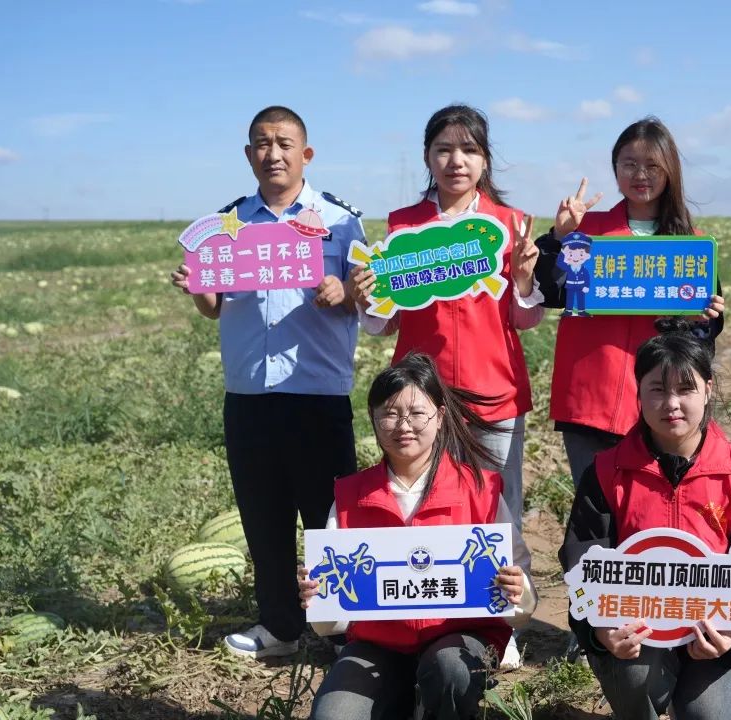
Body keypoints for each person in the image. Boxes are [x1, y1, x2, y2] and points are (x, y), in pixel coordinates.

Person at [348, 104, 540, 668]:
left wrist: (526, 280)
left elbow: (524, 319)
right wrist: (365, 297)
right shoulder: (404, 223)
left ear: (485, 159)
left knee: (499, 508)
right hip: (420, 399)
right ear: (428, 158)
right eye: (444, 150)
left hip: (494, 390)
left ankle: (504, 623)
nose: (456, 161)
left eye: (469, 150)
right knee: (427, 505)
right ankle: (432, 617)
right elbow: (385, 320)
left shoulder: (511, 223)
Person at [170, 106, 364, 659]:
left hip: (318, 393)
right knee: (263, 514)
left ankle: (343, 628)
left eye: (284, 143)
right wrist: (198, 289)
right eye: (261, 143)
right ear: (248, 153)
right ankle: (279, 626)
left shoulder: (340, 220)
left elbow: (368, 294)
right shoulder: (226, 224)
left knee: (328, 517)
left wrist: (345, 293)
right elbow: (214, 308)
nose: (272, 153)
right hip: (250, 395)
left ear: (306, 154)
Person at [559, 319, 731, 720]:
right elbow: (581, 559)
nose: (671, 404)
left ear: (708, 390)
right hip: (641, 632)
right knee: (635, 678)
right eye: (657, 390)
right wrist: (599, 630)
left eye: (686, 389)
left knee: (720, 714)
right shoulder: (606, 472)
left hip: (711, 632)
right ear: (639, 392)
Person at [299, 353, 537, 720]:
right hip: (378, 646)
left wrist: (519, 592)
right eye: (389, 414)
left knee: (451, 671)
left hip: (460, 639)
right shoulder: (350, 495)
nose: (403, 425)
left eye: (416, 413)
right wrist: (319, 597)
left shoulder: (480, 489)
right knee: (334, 714)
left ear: (440, 418)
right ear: (374, 422)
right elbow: (332, 620)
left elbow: (520, 590)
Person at [534, 117, 725, 489]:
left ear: (670, 170)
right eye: (629, 164)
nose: (641, 174)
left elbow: (708, 329)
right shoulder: (586, 232)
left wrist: (705, 318)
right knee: (596, 513)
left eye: (653, 165)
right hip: (592, 400)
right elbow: (547, 290)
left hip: (662, 401)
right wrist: (558, 235)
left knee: (650, 512)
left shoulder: (692, 245)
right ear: (615, 168)